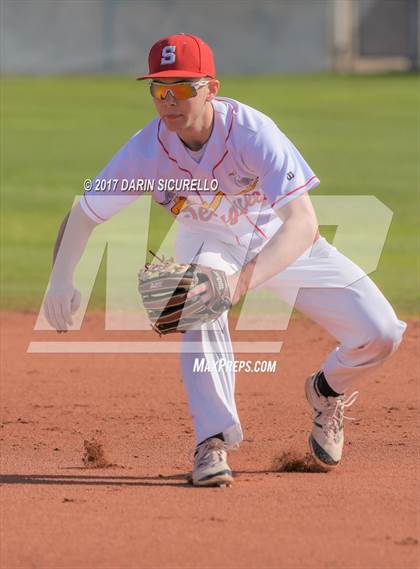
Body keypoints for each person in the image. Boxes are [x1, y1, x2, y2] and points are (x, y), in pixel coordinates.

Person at [44, 34, 406, 487]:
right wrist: (60, 279)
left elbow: (302, 223)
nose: (168, 101)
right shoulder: (145, 150)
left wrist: (240, 284)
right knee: (198, 296)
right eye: (159, 89)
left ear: (211, 88)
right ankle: (211, 441)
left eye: (181, 88)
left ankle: (326, 391)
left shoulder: (253, 134)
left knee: (382, 333)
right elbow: (84, 212)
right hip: (209, 240)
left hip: (281, 240)